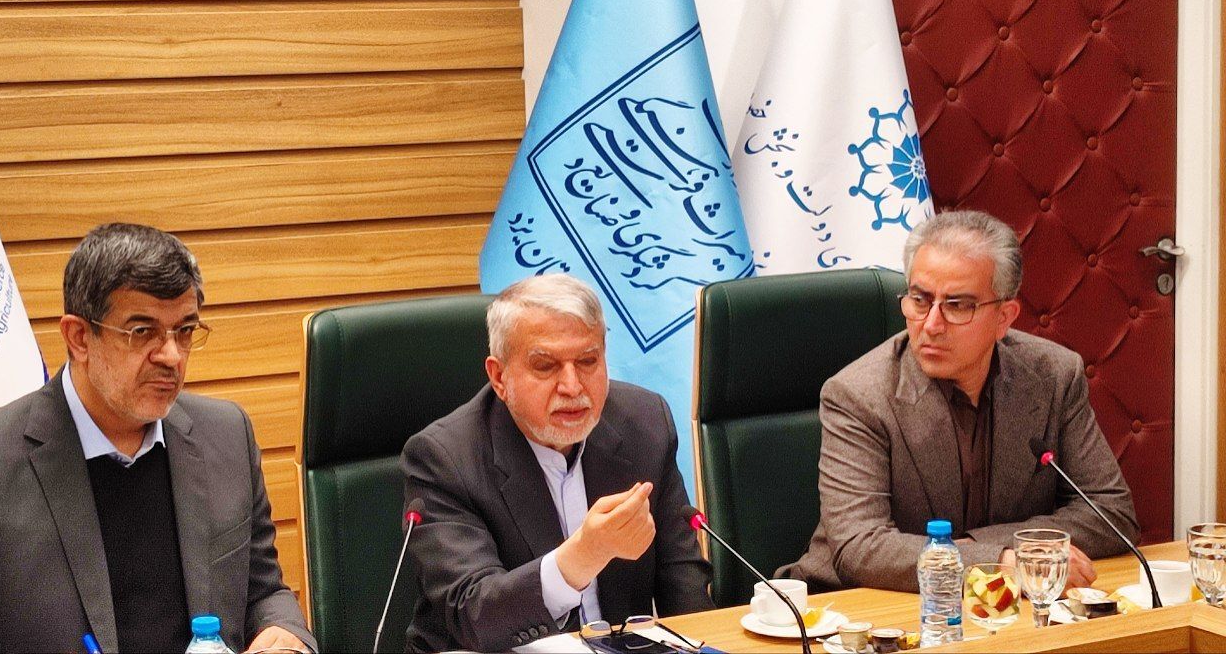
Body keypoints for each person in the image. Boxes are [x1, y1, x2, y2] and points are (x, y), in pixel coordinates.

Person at [0, 223, 315, 653]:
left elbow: (264, 591)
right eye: (142, 332)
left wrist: (285, 636)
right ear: (79, 337)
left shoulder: (227, 434)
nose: (171, 356)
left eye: (184, 331)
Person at [779, 210, 1139, 592]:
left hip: (996, 604)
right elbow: (860, 548)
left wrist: (984, 548)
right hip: (858, 603)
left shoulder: (1054, 376)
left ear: (1004, 318)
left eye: (957, 305)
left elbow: (1110, 512)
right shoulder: (858, 395)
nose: (931, 325)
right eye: (920, 300)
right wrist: (995, 559)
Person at [401, 273, 712, 652]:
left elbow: (684, 584)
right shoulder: (444, 458)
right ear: (499, 377)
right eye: (546, 366)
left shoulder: (645, 423)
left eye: (587, 361)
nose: (572, 386)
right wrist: (582, 556)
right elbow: (473, 614)